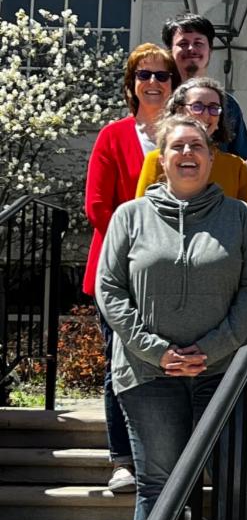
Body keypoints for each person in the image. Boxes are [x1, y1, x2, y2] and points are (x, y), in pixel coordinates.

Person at [96, 114, 247, 520]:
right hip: (149, 376)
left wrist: (213, 346)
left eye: (198, 145)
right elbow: (110, 290)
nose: (188, 154)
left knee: (236, 475)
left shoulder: (238, 217)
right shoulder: (131, 216)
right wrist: (156, 351)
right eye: (178, 147)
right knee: (161, 487)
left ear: (212, 157)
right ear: (163, 158)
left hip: (222, 370)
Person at [84, 43, 180, 494]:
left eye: (163, 76)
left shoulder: (185, 138)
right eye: (145, 75)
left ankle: (168, 456)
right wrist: (136, 250)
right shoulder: (113, 136)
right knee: (119, 363)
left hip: (174, 276)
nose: (154, 83)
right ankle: (122, 457)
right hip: (119, 270)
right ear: (132, 83)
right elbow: (98, 206)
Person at [135, 77, 247, 208]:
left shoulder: (236, 167)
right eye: (197, 106)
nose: (206, 115)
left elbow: (246, 222)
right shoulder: (156, 160)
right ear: (179, 111)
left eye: (214, 108)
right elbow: (140, 217)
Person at [162, 14, 247, 159]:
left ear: (210, 50)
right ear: (169, 51)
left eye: (198, 43)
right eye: (183, 44)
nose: (191, 49)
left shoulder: (228, 106)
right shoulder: (159, 100)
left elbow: (243, 162)